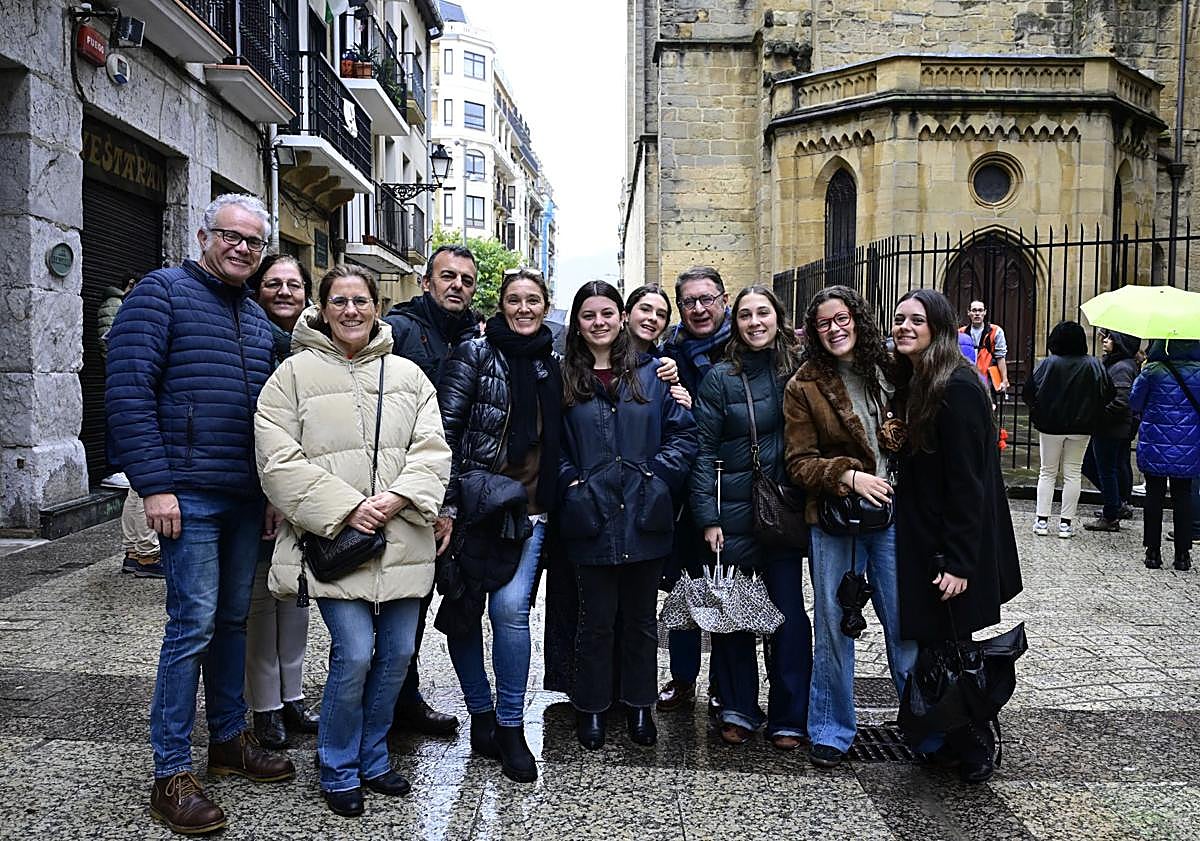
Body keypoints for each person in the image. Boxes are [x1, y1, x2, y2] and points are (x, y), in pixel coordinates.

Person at [106, 194, 294, 835]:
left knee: (234, 622)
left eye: (253, 242)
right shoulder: (161, 293)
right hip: (187, 496)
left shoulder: (256, 317)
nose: (242, 248)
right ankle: (169, 774)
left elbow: (275, 419)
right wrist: (154, 486)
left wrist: (272, 491)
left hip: (245, 497)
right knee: (191, 626)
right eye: (231, 236)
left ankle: (228, 740)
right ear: (203, 234)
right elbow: (127, 390)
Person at [255, 264, 450, 817]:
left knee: (398, 654)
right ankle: (337, 762)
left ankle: (372, 753)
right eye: (338, 301)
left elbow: (433, 448)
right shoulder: (290, 376)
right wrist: (347, 510)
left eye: (360, 300)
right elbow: (276, 459)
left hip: (403, 537)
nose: (350, 311)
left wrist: (395, 499)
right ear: (322, 308)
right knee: (356, 653)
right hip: (336, 545)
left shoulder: (409, 376)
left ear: (376, 306)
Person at [559, 281, 698, 750]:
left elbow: (683, 436)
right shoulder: (564, 380)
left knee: (640, 620)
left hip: (644, 515)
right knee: (595, 620)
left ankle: (641, 705)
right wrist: (572, 485)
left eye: (607, 313)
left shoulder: (654, 374)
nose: (599, 322)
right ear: (578, 324)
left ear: (621, 318)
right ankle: (592, 707)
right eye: (588, 315)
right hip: (590, 517)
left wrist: (657, 478)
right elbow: (552, 447)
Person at [891, 288, 1022, 784]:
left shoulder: (958, 386)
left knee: (955, 648)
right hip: (928, 538)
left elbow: (969, 484)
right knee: (939, 645)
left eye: (916, 321)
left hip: (952, 546)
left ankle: (976, 744)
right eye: (900, 319)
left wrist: (959, 562)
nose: (904, 327)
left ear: (940, 329)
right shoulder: (922, 379)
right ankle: (947, 737)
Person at [436, 267, 562, 783]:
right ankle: (481, 714)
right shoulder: (474, 354)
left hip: (529, 511)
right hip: (474, 506)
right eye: (514, 299)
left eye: (533, 300)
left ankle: (511, 726)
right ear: (501, 304)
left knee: (510, 612)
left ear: (545, 304)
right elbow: (442, 433)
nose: (524, 308)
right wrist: (445, 507)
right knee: (464, 610)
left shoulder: (553, 366)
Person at [783, 284, 916, 769]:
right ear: (814, 332)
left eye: (842, 319)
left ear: (857, 319)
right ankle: (831, 728)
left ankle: (921, 720)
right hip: (835, 521)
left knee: (903, 620)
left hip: (891, 517)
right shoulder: (804, 385)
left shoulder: (889, 370)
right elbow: (798, 463)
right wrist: (848, 475)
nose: (835, 329)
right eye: (823, 323)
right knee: (835, 626)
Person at [691, 285, 812, 749]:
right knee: (732, 615)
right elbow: (702, 451)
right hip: (735, 513)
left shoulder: (799, 369)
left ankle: (789, 714)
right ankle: (738, 707)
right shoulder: (721, 378)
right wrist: (708, 516)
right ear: (734, 322)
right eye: (745, 314)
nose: (755, 322)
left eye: (763, 312)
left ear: (778, 318)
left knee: (787, 617)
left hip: (784, 511)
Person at [383, 244, 482, 737]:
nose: (456, 286)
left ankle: (404, 700)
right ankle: (371, 707)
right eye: (447, 276)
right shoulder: (398, 329)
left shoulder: (475, 335)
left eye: (466, 279)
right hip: (392, 487)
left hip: (444, 490)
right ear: (426, 282)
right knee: (374, 603)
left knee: (414, 603)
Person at [240, 254, 320, 751]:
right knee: (259, 601)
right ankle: (265, 705)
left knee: (295, 596)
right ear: (258, 288)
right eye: (273, 283)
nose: (284, 292)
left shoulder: (320, 342)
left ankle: (293, 696)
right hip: (255, 491)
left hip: (308, 492)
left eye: (294, 283)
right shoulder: (246, 337)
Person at [657, 266, 733, 715]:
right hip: (686, 492)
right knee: (685, 588)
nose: (700, 309)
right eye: (690, 302)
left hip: (732, 487)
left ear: (724, 299)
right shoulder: (670, 354)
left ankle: (726, 683)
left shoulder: (742, 348)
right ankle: (683, 677)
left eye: (708, 299)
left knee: (725, 588)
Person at [1021, 321, 1112, 539]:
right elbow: (1108, 393)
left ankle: (1041, 520)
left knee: (1047, 471)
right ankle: (1066, 524)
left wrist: (1039, 409)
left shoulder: (1047, 364)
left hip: (1050, 425)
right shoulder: (1094, 364)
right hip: (1082, 427)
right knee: (1073, 472)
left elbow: (1028, 392)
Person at [102, 272, 165, 577]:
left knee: (135, 485)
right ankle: (147, 555)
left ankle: (133, 551)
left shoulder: (128, 320)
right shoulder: (138, 323)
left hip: (138, 416)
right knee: (144, 485)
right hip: (148, 419)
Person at [1130, 339, 1200, 571]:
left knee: (1154, 496)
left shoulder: (1152, 370)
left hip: (1155, 441)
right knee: (1183, 495)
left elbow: (1135, 402)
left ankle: (1152, 552)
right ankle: (1182, 555)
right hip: (1189, 444)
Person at [1083, 331, 1141, 532]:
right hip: (1114, 426)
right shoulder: (1116, 363)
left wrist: (1097, 415)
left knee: (1103, 469)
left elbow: (1121, 401)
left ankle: (1111, 514)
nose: (1105, 341)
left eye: (1110, 338)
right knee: (1108, 467)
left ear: (1120, 344)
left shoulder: (1122, 367)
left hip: (1110, 427)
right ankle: (1115, 504)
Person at [959, 300, 1010, 401]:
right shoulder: (961, 332)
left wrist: (1004, 380)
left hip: (987, 379)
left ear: (985, 312)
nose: (977, 313)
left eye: (980, 310)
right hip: (966, 377)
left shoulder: (995, 331)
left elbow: (1000, 357)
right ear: (968, 313)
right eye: (974, 310)